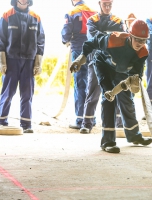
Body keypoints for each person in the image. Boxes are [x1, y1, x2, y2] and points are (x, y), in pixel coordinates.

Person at [70, 19, 152, 153]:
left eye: (143, 41)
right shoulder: (114, 40)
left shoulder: (143, 52)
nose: (140, 43)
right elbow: (92, 42)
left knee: (127, 99)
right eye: (137, 39)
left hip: (121, 70)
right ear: (130, 36)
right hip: (103, 65)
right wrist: (81, 59)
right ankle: (107, 141)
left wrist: (133, 82)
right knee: (109, 98)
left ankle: (134, 136)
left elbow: (136, 72)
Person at [0, 0, 45, 133]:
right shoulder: (7, 15)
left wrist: (38, 63)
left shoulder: (36, 17)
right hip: (11, 60)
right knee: (8, 92)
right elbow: (0, 38)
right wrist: (2, 61)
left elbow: (40, 41)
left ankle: (26, 124)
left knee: (27, 93)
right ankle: (2, 121)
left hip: (29, 61)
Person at [79, 0, 124, 134]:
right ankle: (87, 124)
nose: (107, 7)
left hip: (113, 62)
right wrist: (111, 37)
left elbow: (122, 39)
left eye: (110, 4)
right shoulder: (92, 20)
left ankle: (119, 124)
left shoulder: (118, 21)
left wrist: (105, 37)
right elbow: (93, 38)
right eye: (105, 4)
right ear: (99, 4)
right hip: (96, 61)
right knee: (92, 93)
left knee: (115, 91)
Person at [61, 0, 96, 132]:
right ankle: (91, 117)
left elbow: (65, 34)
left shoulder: (71, 12)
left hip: (78, 49)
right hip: (93, 49)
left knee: (80, 84)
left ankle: (81, 119)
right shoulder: (93, 11)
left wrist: (66, 41)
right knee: (92, 83)